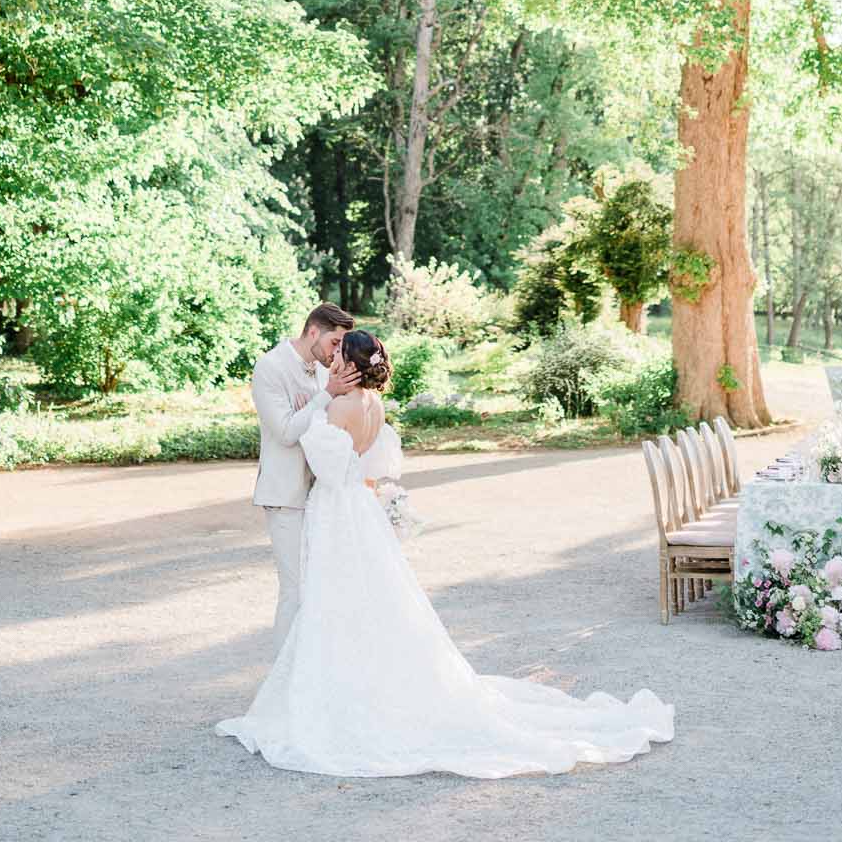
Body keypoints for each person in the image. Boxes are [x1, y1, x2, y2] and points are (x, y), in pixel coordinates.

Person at [220, 329, 673, 779]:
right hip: (361, 507)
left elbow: (320, 462)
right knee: (367, 599)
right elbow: (373, 463)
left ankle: (334, 696)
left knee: (333, 600)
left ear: (351, 364)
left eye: (339, 353)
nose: (332, 358)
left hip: (335, 511)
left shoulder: (336, 406)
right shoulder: (374, 406)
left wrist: (316, 407)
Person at [249, 302, 356, 652]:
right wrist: (327, 395)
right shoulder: (270, 367)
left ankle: (310, 672)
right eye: (335, 342)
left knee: (320, 589)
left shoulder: (325, 371)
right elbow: (284, 432)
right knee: (294, 590)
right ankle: (283, 680)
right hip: (285, 497)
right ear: (314, 331)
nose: (337, 351)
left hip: (320, 495)